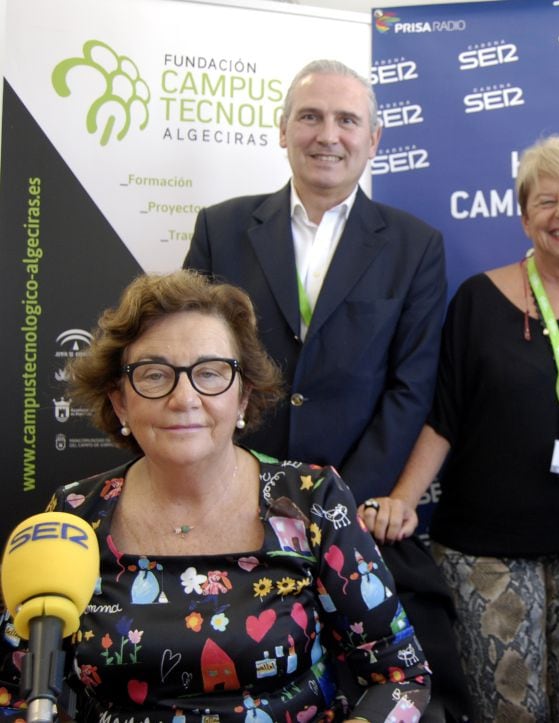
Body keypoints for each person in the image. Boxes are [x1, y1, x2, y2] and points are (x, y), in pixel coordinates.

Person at [0, 270, 430, 722]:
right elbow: (14, 695)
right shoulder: (74, 515)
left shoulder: (311, 502)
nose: (184, 397)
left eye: (209, 373)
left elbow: (402, 678)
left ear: (243, 397)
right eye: (153, 374)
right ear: (120, 401)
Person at [183, 60, 470, 719]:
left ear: (374, 139)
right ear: (282, 129)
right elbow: (195, 367)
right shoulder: (219, 229)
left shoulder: (414, 245)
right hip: (232, 504)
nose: (327, 134)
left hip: (358, 509)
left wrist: (333, 497)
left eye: (348, 120)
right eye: (310, 116)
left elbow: (412, 383)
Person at [363, 135, 559, 722]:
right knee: (506, 711)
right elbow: (443, 415)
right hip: (485, 552)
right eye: (545, 201)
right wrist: (401, 499)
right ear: (523, 216)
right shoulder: (476, 300)